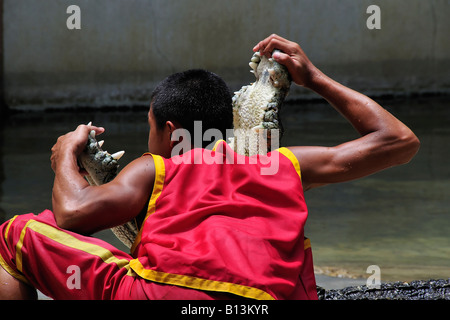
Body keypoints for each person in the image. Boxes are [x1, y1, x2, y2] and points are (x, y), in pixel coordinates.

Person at [0, 34, 419, 300]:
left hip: (169, 298)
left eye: (150, 129)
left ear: (169, 131)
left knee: (13, 236)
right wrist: (314, 79)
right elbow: (400, 142)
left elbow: (73, 214)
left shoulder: (157, 168)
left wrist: (65, 157)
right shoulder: (284, 164)